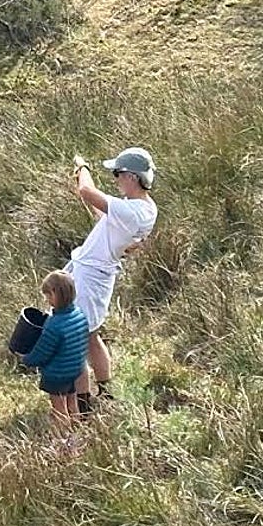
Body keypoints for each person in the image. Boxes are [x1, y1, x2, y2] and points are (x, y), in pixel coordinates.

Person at [67, 147, 158, 414]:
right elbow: (99, 211)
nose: (116, 179)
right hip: (97, 275)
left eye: (118, 173)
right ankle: (106, 392)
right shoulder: (144, 209)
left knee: (77, 341)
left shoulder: (132, 211)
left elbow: (87, 192)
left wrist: (81, 167)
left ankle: (83, 406)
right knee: (91, 336)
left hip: (90, 278)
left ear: (131, 176)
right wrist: (84, 185)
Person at [21, 271, 89, 433]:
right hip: (75, 370)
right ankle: (79, 432)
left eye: (48, 296)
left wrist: (26, 359)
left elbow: (42, 352)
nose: (48, 301)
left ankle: (64, 441)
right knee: (72, 403)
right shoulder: (79, 315)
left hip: (57, 374)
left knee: (59, 409)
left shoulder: (54, 325)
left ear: (56, 294)